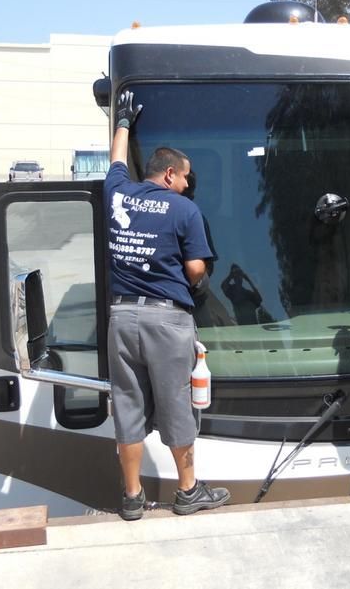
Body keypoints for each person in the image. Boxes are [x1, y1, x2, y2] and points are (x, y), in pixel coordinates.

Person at [104, 88, 230, 520]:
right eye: (187, 177)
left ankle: (132, 497)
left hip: (121, 317)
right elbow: (195, 269)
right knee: (176, 406)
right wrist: (202, 286)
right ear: (171, 174)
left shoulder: (118, 194)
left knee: (127, 404)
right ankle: (188, 491)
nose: (189, 184)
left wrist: (122, 121)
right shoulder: (183, 210)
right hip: (165, 320)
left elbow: (116, 161)